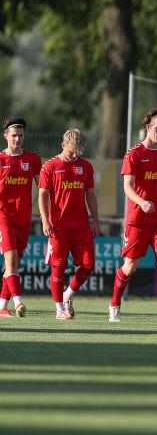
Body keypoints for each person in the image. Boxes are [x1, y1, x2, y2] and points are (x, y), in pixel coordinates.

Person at [109, 108, 157, 325]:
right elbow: (127, 187)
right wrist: (142, 202)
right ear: (148, 127)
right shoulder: (134, 154)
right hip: (138, 219)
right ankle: (114, 305)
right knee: (130, 267)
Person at [38, 129, 99, 320]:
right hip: (58, 228)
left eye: (78, 152)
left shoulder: (86, 167)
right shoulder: (50, 167)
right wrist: (45, 219)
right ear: (63, 145)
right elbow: (42, 194)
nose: (74, 155)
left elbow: (90, 194)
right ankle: (59, 309)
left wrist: (95, 219)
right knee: (58, 267)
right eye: (71, 151)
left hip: (81, 227)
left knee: (89, 265)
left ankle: (67, 294)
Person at [0, 117, 41, 318]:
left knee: (14, 264)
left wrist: (46, 213)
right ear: (5, 135)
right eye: (14, 135)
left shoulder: (32, 159)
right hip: (3, 216)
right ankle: (18, 302)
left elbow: (43, 188)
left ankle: (1, 306)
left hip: (23, 219)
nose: (17, 139)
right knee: (10, 260)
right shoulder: (0, 160)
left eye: (21, 135)